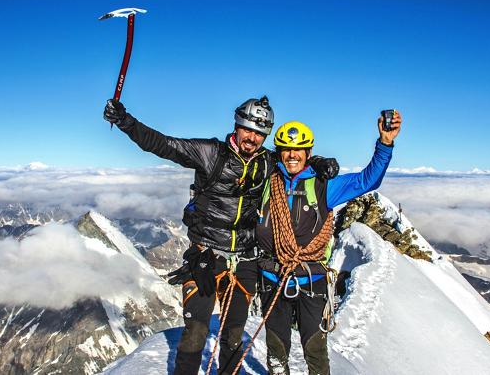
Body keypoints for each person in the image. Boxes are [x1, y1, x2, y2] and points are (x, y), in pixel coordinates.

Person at [103, 96, 340, 375]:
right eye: (247, 129)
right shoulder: (209, 153)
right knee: (196, 333)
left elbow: (295, 159)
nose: (252, 137)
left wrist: (321, 162)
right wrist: (124, 121)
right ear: (236, 125)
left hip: (245, 261)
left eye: (259, 133)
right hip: (206, 255)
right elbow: (163, 145)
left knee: (232, 336)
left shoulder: (267, 161)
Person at [255, 112, 402, 375]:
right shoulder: (266, 182)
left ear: (308, 152)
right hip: (272, 278)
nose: (292, 155)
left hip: (311, 282)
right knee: (276, 353)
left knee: (315, 351)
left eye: (298, 149)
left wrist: (385, 144)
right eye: (286, 149)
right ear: (278, 152)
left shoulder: (324, 186)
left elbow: (367, 180)